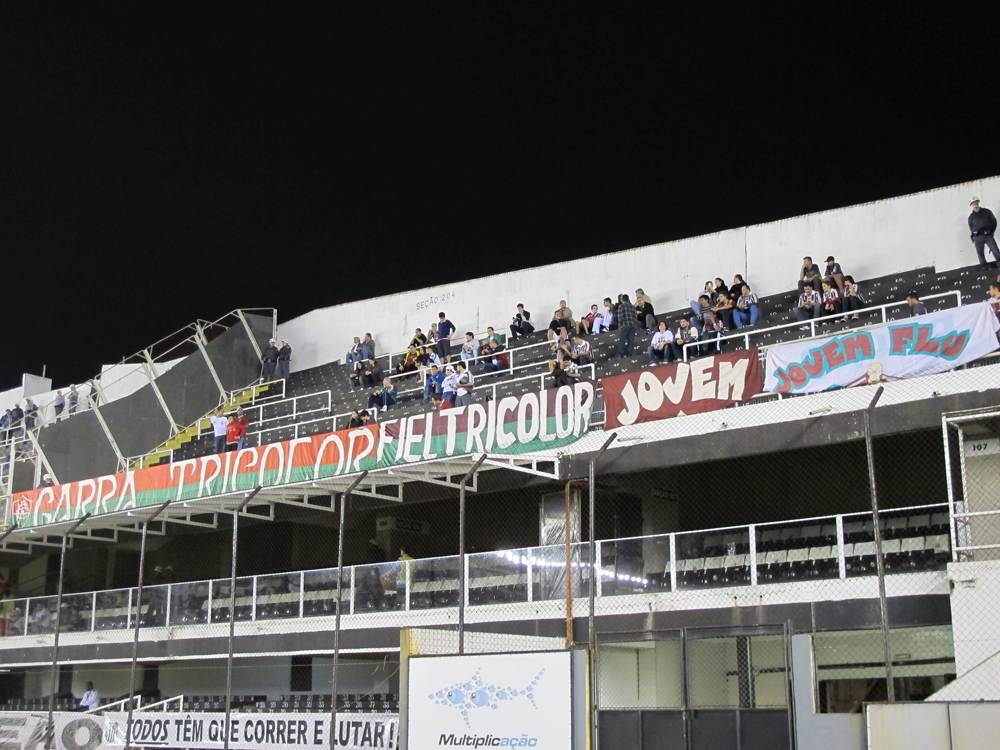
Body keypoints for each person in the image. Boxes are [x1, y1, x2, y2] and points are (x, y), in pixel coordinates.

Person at [969, 196, 999, 268]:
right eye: (973, 202)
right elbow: (971, 227)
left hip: (987, 234)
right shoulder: (971, 216)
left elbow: (993, 222)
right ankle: (984, 266)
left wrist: (991, 232)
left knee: (995, 249)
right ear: (971, 204)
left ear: (978, 202)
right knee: (980, 252)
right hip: (977, 237)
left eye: (976, 202)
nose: (975, 203)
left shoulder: (986, 212)